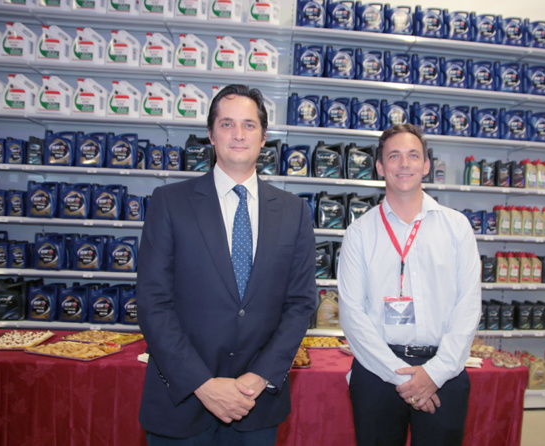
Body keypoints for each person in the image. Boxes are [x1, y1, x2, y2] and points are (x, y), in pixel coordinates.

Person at [137, 84, 317, 445]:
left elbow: (300, 305)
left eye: (249, 125)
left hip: (256, 405)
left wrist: (259, 377)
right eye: (227, 124)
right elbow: (153, 302)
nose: (238, 134)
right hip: (182, 401)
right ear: (210, 134)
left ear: (263, 137)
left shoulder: (294, 211)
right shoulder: (169, 202)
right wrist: (202, 384)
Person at [337, 124, 482, 446]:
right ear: (380, 166)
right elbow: (352, 314)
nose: (404, 164)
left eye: (413, 155)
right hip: (376, 373)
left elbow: (469, 304)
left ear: (426, 165)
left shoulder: (456, 227)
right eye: (394, 156)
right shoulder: (359, 233)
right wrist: (402, 378)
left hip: (444, 372)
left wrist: (435, 373)